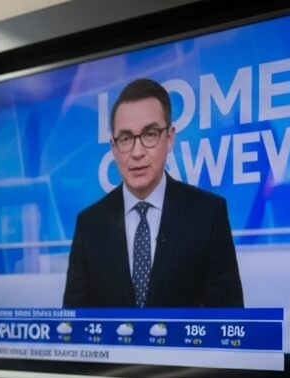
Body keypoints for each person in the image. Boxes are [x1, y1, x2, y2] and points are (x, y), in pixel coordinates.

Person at [62, 78, 244, 309]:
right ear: (114, 147)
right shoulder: (90, 225)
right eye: (126, 138)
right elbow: (72, 327)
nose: (137, 152)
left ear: (169, 138)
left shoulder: (208, 215)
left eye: (149, 134)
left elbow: (230, 323)